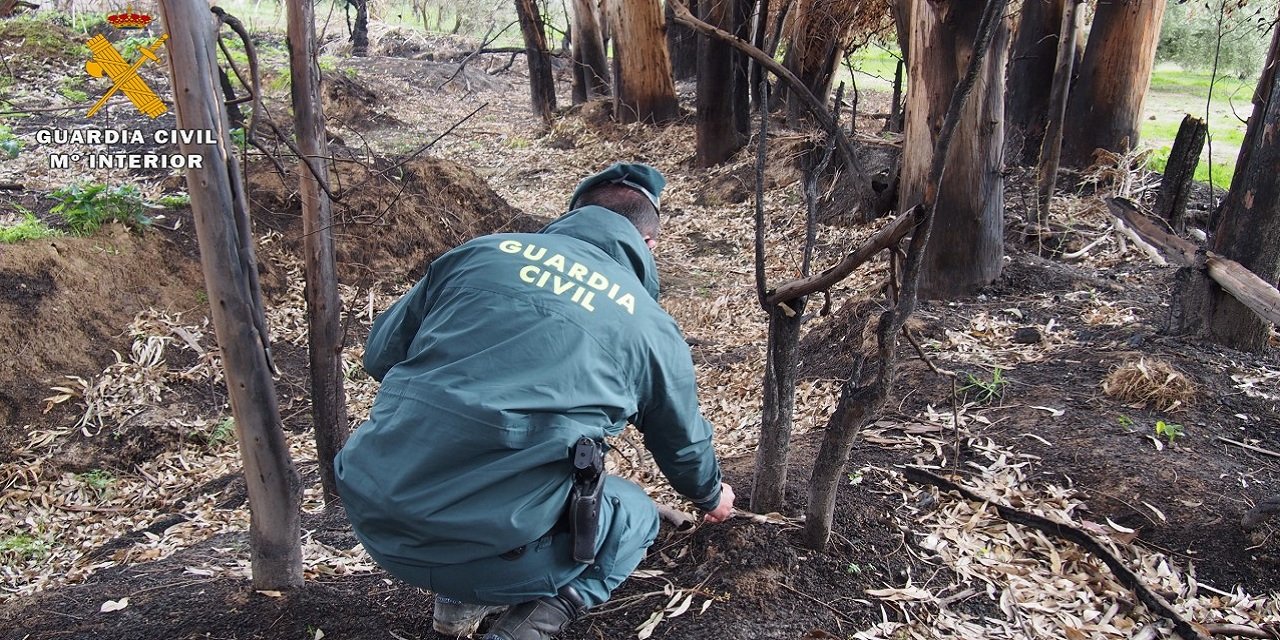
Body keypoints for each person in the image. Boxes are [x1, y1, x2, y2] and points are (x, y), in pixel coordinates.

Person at [334, 162, 737, 640]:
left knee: (474, 457)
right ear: (647, 244)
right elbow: (681, 443)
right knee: (633, 513)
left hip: (375, 522)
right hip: (496, 554)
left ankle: (456, 608)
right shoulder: (648, 325)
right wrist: (710, 495)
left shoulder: (478, 254)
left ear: (571, 216)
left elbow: (379, 356)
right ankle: (526, 627)